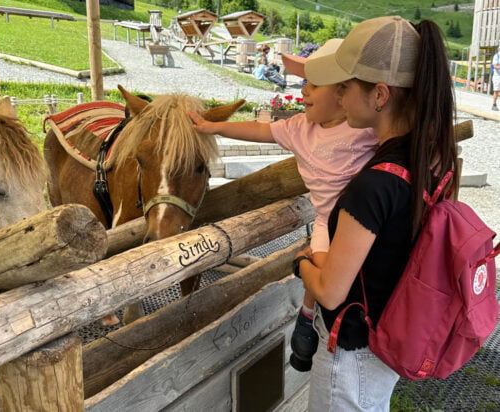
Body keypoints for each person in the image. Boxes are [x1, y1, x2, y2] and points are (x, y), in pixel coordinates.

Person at [294, 16, 458, 410]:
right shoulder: (428, 159)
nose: (342, 99)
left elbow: (331, 290)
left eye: (347, 88)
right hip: (386, 341)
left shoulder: (373, 185)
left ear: (380, 95)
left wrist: (301, 259)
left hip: (350, 356)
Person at [189, 39, 378, 372]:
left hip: (359, 225)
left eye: (314, 84)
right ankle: (308, 319)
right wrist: (213, 127)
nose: (303, 91)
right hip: (324, 221)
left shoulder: (364, 128)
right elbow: (259, 129)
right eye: (304, 81)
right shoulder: (298, 128)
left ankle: (312, 320)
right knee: (323, 277)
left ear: (344, 93)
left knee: (333, 281)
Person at [492, 46, 499, 111]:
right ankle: (494, 104)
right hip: (497, 76)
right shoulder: (496, 56)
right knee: (496, 91)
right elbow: (495, 66)